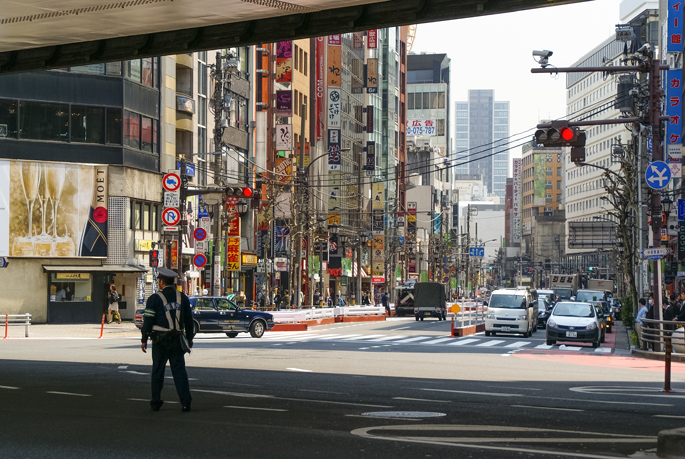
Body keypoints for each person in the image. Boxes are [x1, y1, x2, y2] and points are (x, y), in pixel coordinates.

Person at [141, 267, 194, 412]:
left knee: (158, 371)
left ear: (162, 282)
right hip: (177, 340)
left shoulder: (154, 299)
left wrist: (144, 338)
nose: (158, 282)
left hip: (160, 341)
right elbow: (189, 321)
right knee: (179, 372)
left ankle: (156, 402)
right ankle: (185, 402)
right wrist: (189, 338)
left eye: (159, 280)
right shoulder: (182, 297)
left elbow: (148, 320)